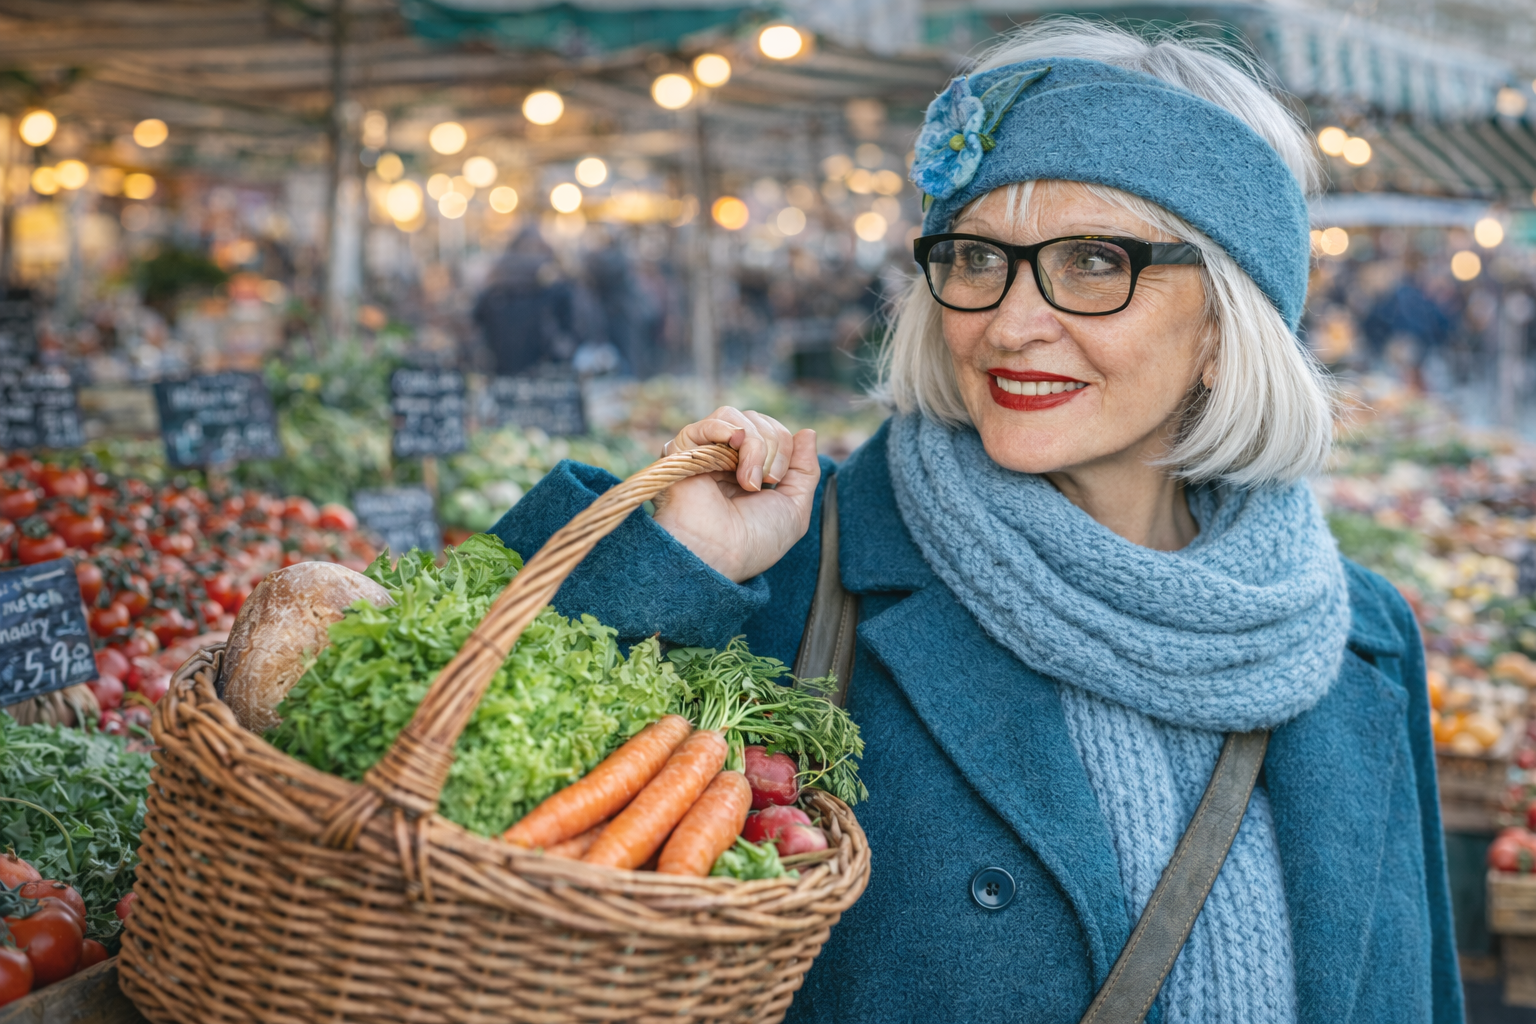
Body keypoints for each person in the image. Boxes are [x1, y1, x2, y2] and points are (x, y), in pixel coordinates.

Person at [490, 20, 1459, 1024]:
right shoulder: (794, 572)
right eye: (978, 257)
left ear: (1225, 323)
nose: (1009, 320)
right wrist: (675, 564)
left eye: (1092, 261)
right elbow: (428, 779)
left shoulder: (1360, 643)